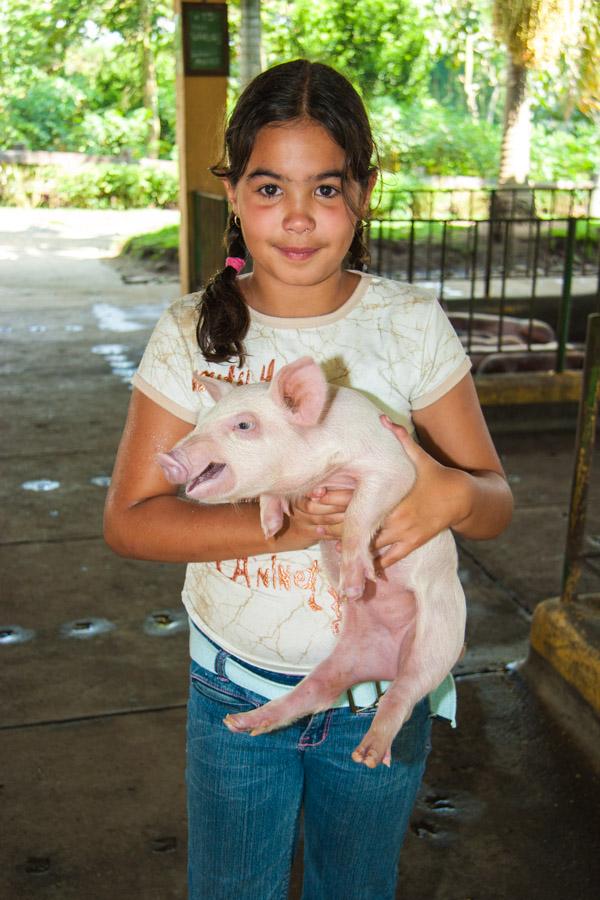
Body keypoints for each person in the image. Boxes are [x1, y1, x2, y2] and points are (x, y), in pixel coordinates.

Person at [104, 59, 513, 900]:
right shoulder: (191, 333)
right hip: (236, 687)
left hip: (382, 689)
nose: (297, 218)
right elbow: (133, 520)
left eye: (325, 189)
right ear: (231, 189)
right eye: (268, 189)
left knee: (356, 887)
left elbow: (496, 502)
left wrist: (453, 495)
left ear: (365, 189)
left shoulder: (406, 323)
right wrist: (293, 524)